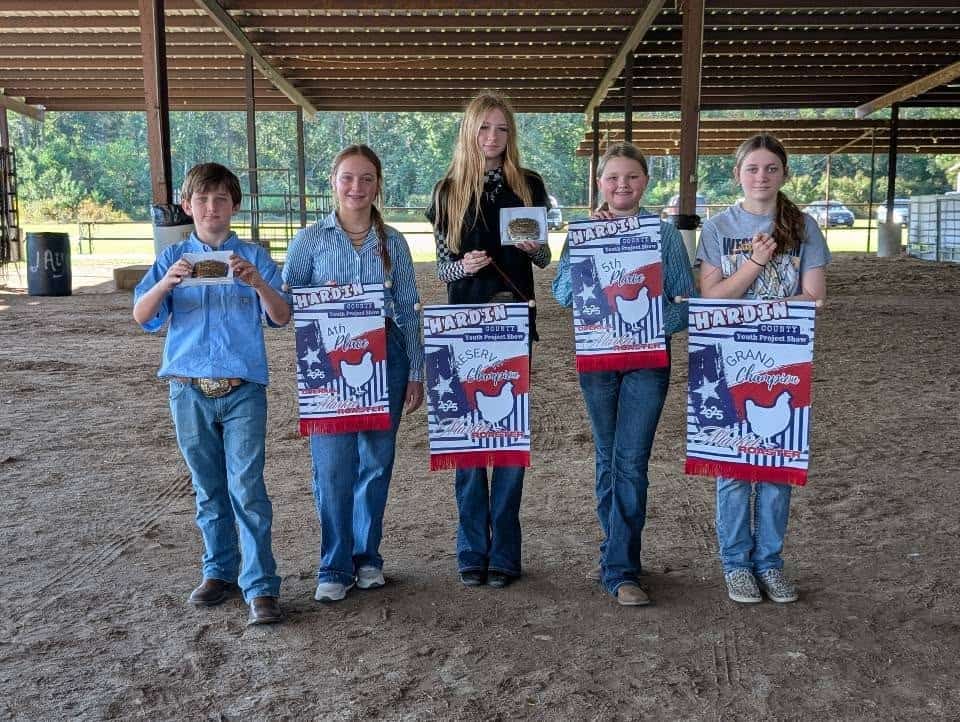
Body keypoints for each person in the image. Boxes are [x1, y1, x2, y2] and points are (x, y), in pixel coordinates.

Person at [133, 162, 289, 625]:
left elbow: (281, 316)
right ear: (187, 206)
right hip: (187, 388)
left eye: (221, 200)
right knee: (208, 488)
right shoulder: (171, 260)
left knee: (247, 486)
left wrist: (257, 282)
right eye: (202, 200)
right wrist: (167, 282)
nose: (211, 208)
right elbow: (143, 315)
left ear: (234, 206)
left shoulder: (255, 258)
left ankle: (260, 585)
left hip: (243, 389)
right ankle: (218, 571)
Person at [552, 142, 694, 606]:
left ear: (645, 182)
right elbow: (562, 295)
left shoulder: (665, 234)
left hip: (647, 363)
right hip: (598, 362)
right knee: (606, 457)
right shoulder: (584, 232)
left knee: (630, 462)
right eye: (613, 177)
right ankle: (615, 551)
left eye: (631, 177)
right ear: (600, 183)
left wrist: (645, 326)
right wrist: (588, 250)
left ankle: (620, 567)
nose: (622, 185)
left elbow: (683, 301)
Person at [284, 144, 424, 603]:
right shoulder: (310, 241)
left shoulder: (394, 242)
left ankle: (367, 557)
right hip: (328, 360)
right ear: (333, 182)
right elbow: (286, 304)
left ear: (378, 184)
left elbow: (407, 306)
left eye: (366, 179)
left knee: (376, 462)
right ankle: (334, 562)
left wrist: (418, 369)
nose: (357, 187)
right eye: (348, 178)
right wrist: (320, 298)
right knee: (332, 466)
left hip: (387, 353)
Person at [696, 133, 830, 605]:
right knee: (733, 466)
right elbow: (713, 297)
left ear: (783, 174)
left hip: (784, 357)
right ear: (738, 174)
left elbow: (814, 297)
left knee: (776, 465)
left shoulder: (805, 226)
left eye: (771, 168)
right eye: (752, 168)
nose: (761, 176)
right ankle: (736, 564)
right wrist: (754, 263)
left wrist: (756, 308)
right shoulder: (717, 228)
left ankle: (769, 562)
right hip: (730, 358)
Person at [426, 92, 552, 589]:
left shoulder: (531, 186)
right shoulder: (446, 191)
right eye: (484, 129)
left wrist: (535, 247)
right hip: (464, 321)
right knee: (468, 439)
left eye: (501, 129)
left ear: (510, 135)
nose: (493, 138)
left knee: (508, 438)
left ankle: (506, 551)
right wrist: (465, 265)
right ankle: (471, 546)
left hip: (514, 317)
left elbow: (542, 260)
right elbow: (443, 267)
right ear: (469, 132)